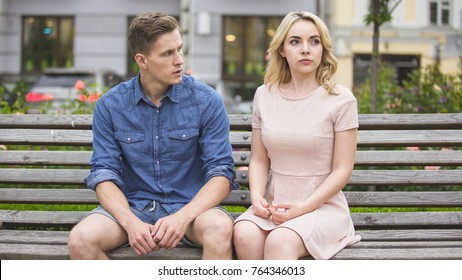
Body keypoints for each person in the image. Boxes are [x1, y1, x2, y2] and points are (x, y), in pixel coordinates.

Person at [68, 12, 238, 260]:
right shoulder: (111, 106)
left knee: (220, 229)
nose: (179, 60)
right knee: (81, 240)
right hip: (134, 208)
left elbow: (222, 173)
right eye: (168, 53)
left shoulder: (206, 101)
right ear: (142, 60)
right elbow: (104, 174)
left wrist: (183, 216)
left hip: (192, 211)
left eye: (180, 49)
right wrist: (129, 222)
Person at [233, 11, 361, 260]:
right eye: (295, 41)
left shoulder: (341, 99)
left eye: (314, 41)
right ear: (281, 49)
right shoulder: (264, 95)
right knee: (243, 233)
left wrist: (303, 208)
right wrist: (257, 196)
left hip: (322, 207)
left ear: (323, 49)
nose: (306, 49)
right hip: (275, 203)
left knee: (280, 242)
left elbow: (342, 170)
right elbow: (259, 159)